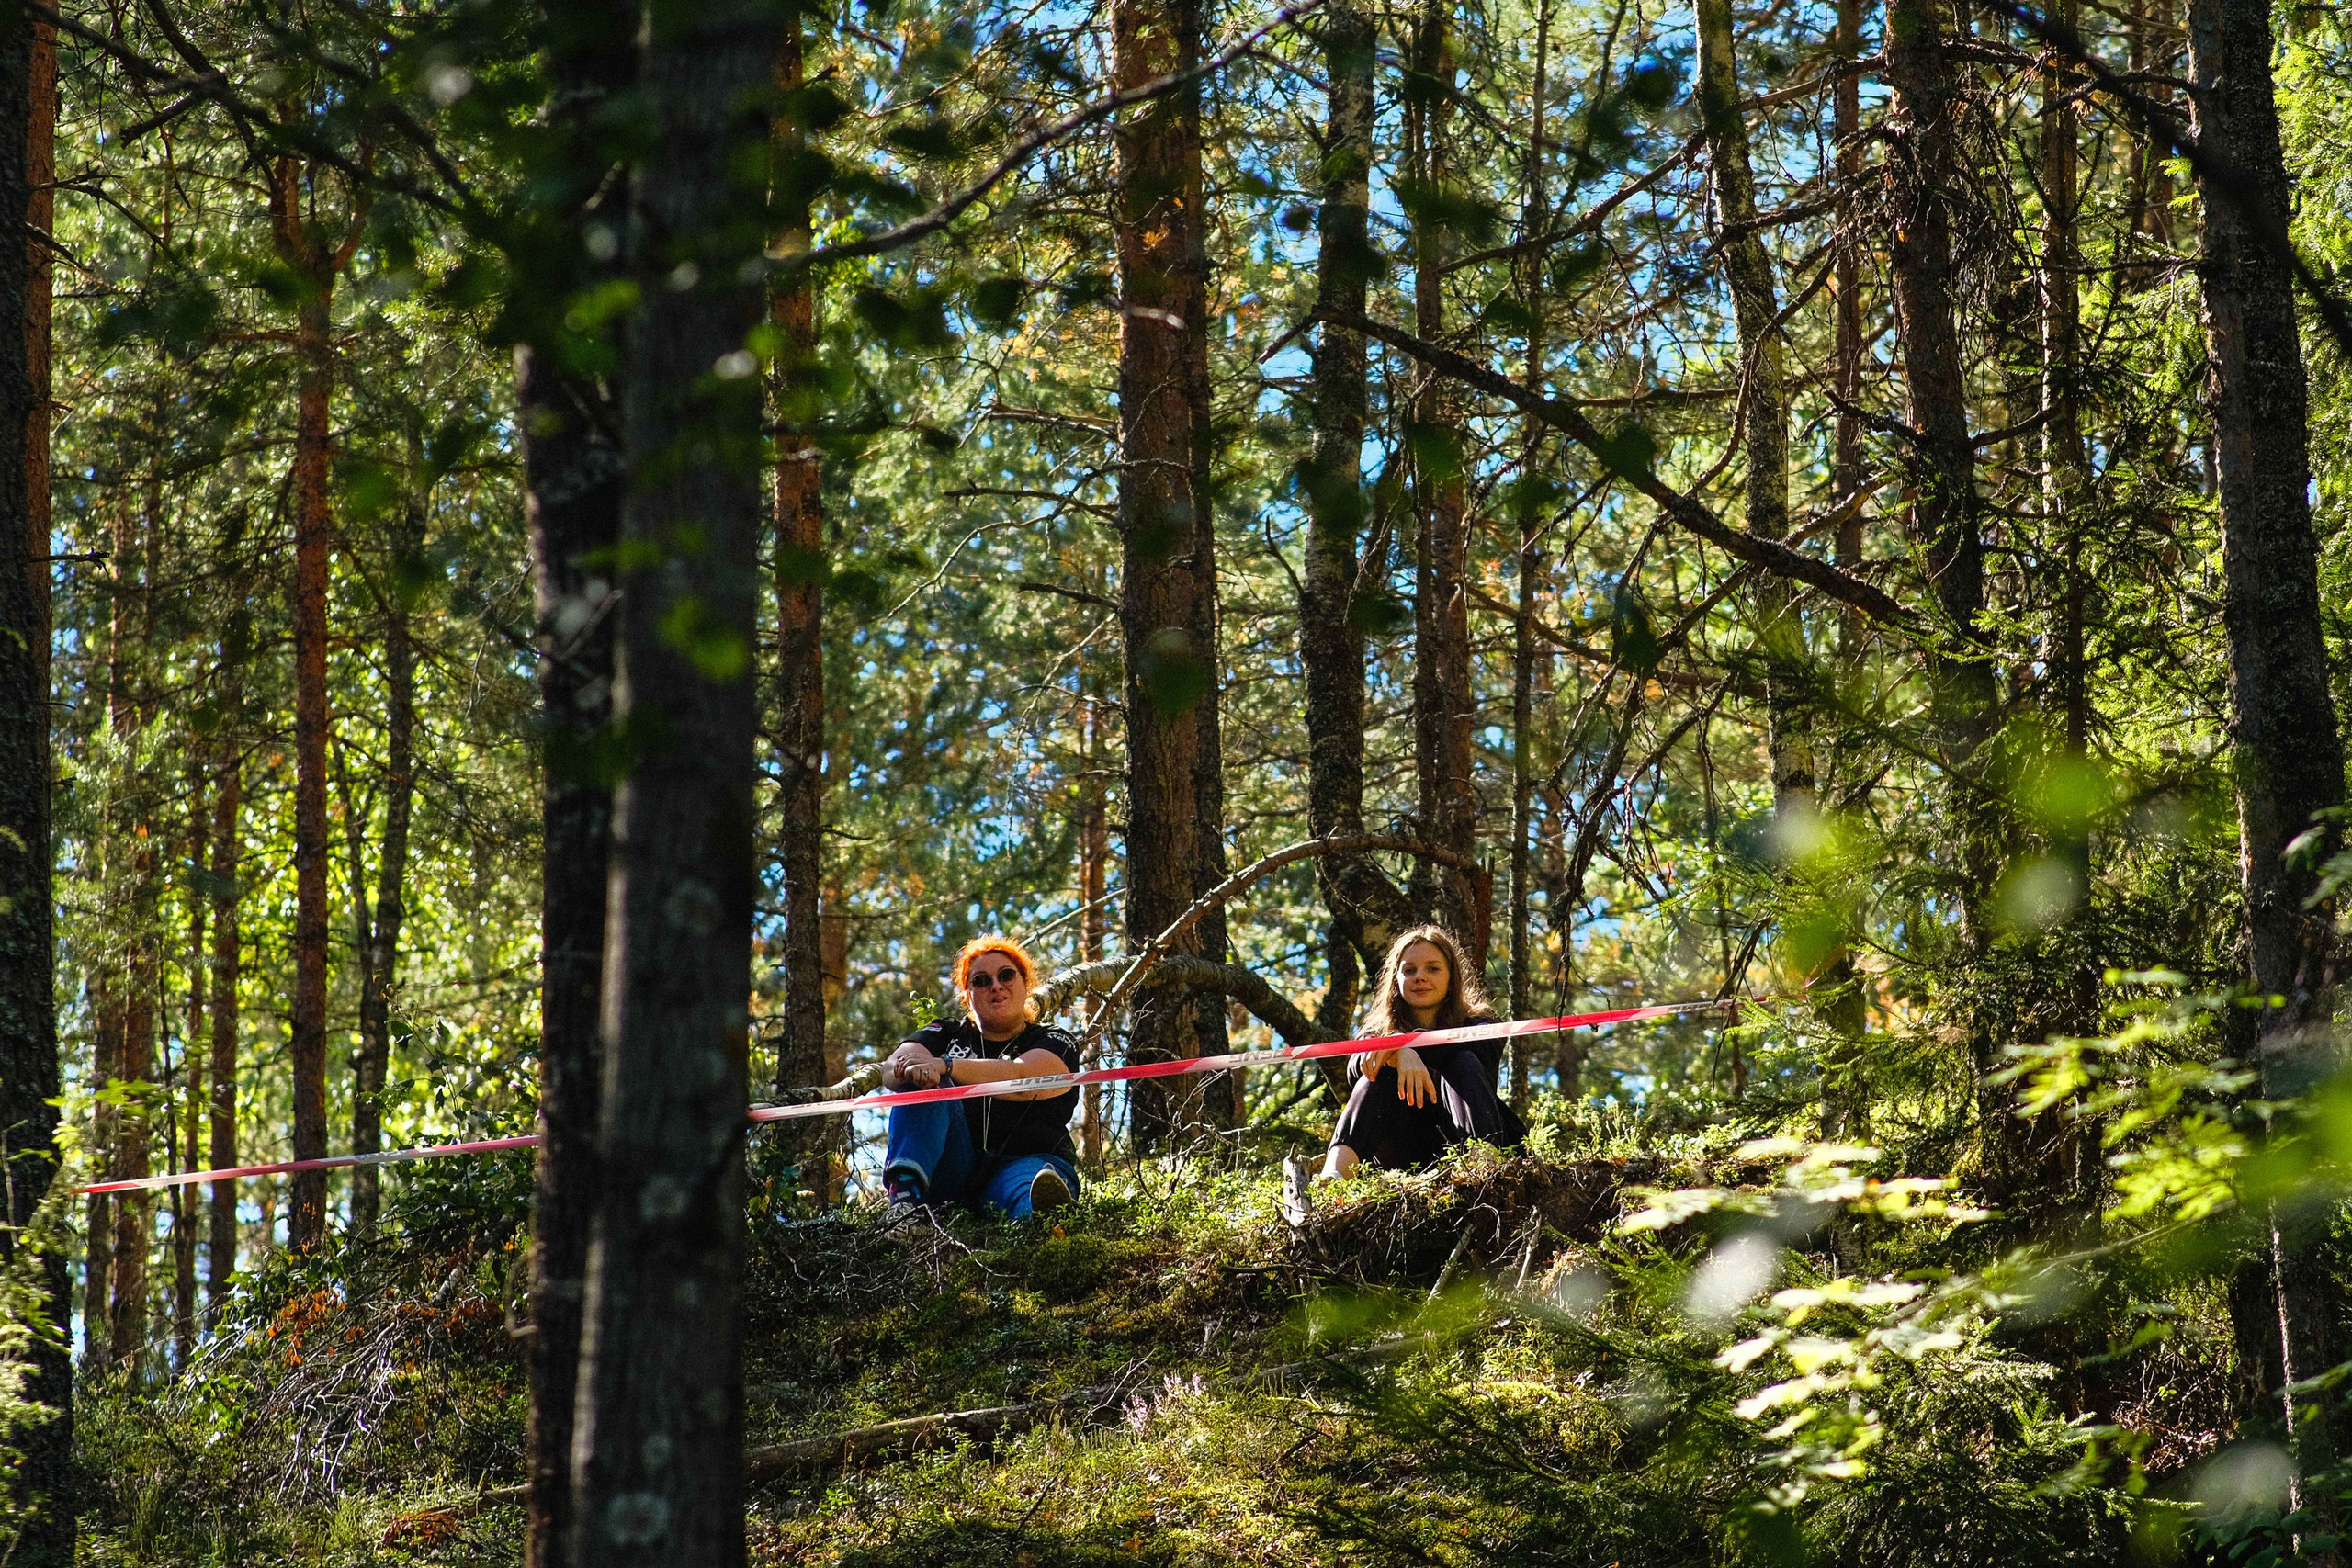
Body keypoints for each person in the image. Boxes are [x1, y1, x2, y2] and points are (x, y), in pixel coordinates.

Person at [880, 936, 1080, 1220]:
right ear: (967, 995)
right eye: (981, 981)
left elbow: (1024, 1078)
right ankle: (903, 1206)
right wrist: (913, 1070)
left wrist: (946, 1065)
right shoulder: (946, 1033)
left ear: (1025, 984)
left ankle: (1043, 1220)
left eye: (1006, 975)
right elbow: (891, 1068)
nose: (996, 986)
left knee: (1029, 1188)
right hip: (953, 1169)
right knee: (926, 1083)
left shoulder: (1053, 1038)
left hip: (1028, 1161)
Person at [1318, 924, 1525, 1179]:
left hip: (1462, 1136)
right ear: (1396, 980)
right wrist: (1396, 1048)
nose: (1420, 977)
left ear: (1451, 978)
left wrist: (1404, 1047)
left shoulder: (1481, 1024)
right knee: (1376, 1076)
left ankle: (1485, 1169)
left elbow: (1469, 1051)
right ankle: (1334, 1177)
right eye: (1409, 970)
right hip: (1404, 1150)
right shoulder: (1377, 1032)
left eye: (1433, 968)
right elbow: (1356, 1068)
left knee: (1462, 1062)